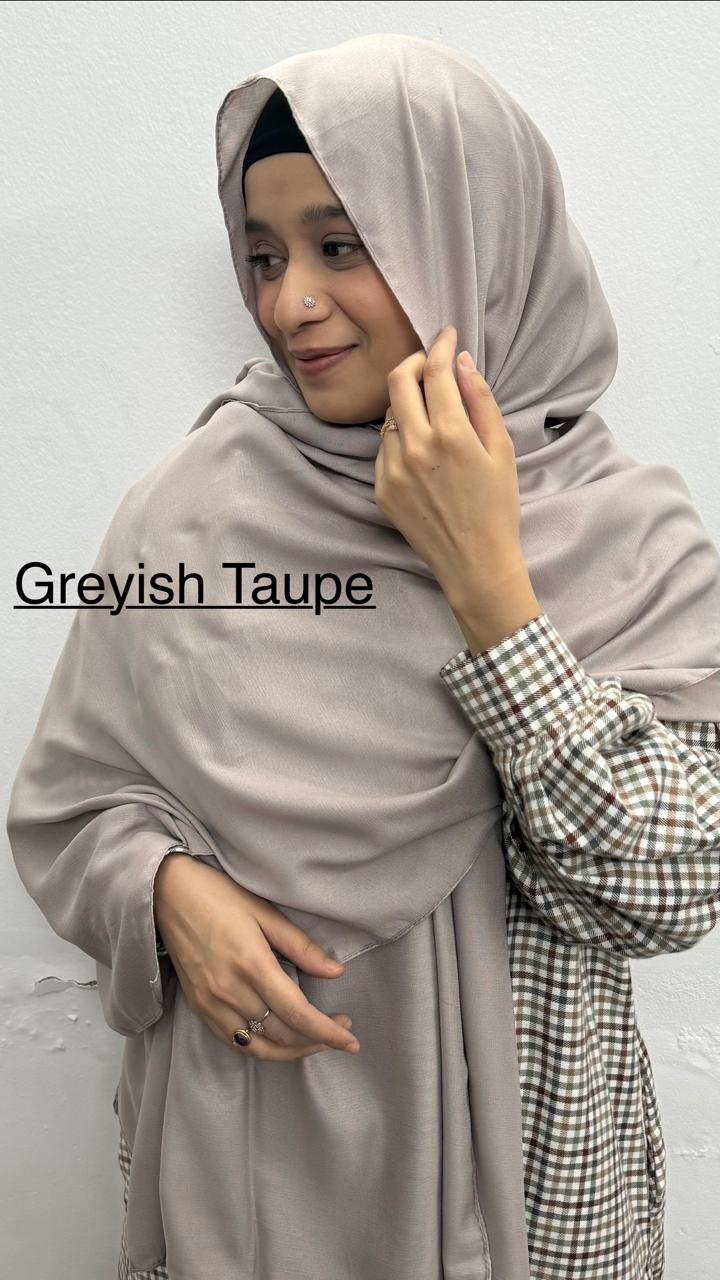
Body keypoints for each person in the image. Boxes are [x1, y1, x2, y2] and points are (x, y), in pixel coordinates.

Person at [6, 33, 720, 1280]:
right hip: (243, 1190)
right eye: (264, 256)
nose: (290, 302)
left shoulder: (623, 533)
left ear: (471, 236)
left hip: (535, 1201)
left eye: (342, 245)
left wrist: (489, 584)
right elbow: (70, 806)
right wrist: (167, 895)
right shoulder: (191, 510)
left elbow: (665, 887)